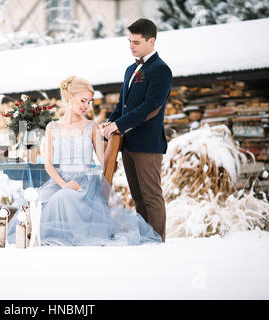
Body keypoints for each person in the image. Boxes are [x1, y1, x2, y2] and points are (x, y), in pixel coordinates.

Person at [7, 75, 161, 246]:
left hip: (85, 183)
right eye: (83, 100)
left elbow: (104, 161)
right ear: (69, 98)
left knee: (63, 197)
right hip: (60, 181)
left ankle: (71, 237)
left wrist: (110, 139)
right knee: (35, 199)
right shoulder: (53, 127)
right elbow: (48, 164)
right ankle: (33, 237)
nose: (86, 106)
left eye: (89, 102)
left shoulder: (91, 126)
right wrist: (63, 183)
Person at [102, 18, 173, 242]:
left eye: (136, 42)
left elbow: (151, 106)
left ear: (151, 41)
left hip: (148, 144)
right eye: (129, 41)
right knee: (138, 196)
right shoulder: (131, 69)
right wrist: (110, 122)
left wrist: (120, 125)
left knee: (151, 195)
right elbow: (122, 104)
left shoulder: (161, 70)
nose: (131, 46)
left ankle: (157, 241)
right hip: (128, 143)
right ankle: (145, 239)